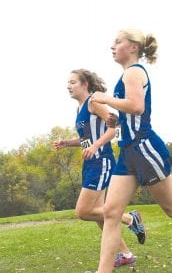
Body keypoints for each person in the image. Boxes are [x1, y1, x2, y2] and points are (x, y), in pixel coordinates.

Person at [91, 28, 172, 272]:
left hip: (143, 147)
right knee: (110, 212)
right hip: (127, 151)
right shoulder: (126, 76)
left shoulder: (134, 72)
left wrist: (105, 98)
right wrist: (114, 121)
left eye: (117, 42)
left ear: (132, 47)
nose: (112, 46)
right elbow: (129, 115)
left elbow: (137, 107)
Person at [54, 69, 146, 268]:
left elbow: (114, 126)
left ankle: (131, 218)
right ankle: (125, 253)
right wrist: (67, 143)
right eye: (67, 83)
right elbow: (87, 138)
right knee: (99, 214)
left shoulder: (94, 103)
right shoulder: (80, 108)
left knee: (83, 212)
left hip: (101, 161)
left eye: (72, 82)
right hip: (90, 164)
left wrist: (96, 146)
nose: (68, 86)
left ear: (84, 84)